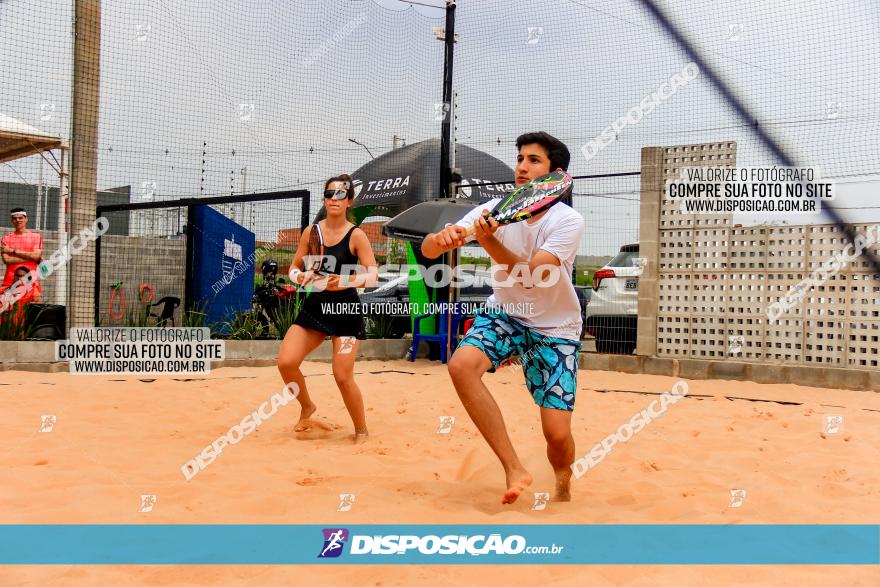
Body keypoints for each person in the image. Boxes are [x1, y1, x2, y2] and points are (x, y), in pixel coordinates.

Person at [422, 131, 585, 504]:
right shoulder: (492, 209)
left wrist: (490, 241)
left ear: (555, 174)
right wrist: (443, 238)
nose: (522, 167)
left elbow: (531, 274)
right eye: (520, 159)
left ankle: (563, 485)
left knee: (557, 436)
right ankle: (513, 467)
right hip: (506, 313)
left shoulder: (567, 221)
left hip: (555, 328)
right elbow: (430, 248)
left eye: (533, 160)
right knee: (462, 365)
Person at [277, 174, 378, 443]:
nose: (335, 199)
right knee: (286, 362)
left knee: (342, 375)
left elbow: (373, 277)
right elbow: (294, 268)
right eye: (330, 194)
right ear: (324, 199)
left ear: (349, 201)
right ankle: (307, 406)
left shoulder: (357, 235)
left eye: (341, 194)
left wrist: (344, 280)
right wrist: (302, 277)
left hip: (345, 311)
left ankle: (361, 430)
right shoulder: (312, 233)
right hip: (316, 307)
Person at [2, 208, 43, 289]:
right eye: (15, 218)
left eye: (20, 218)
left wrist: (13, 251)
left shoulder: (36, 237)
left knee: (34, 301)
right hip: (10, 281)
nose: (18, 220)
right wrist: (32, 258)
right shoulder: (6, 238)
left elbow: (36, 256)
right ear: (12, 220)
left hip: (31, 281)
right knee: (8, 302)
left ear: (26, 219)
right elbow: (7, 260)